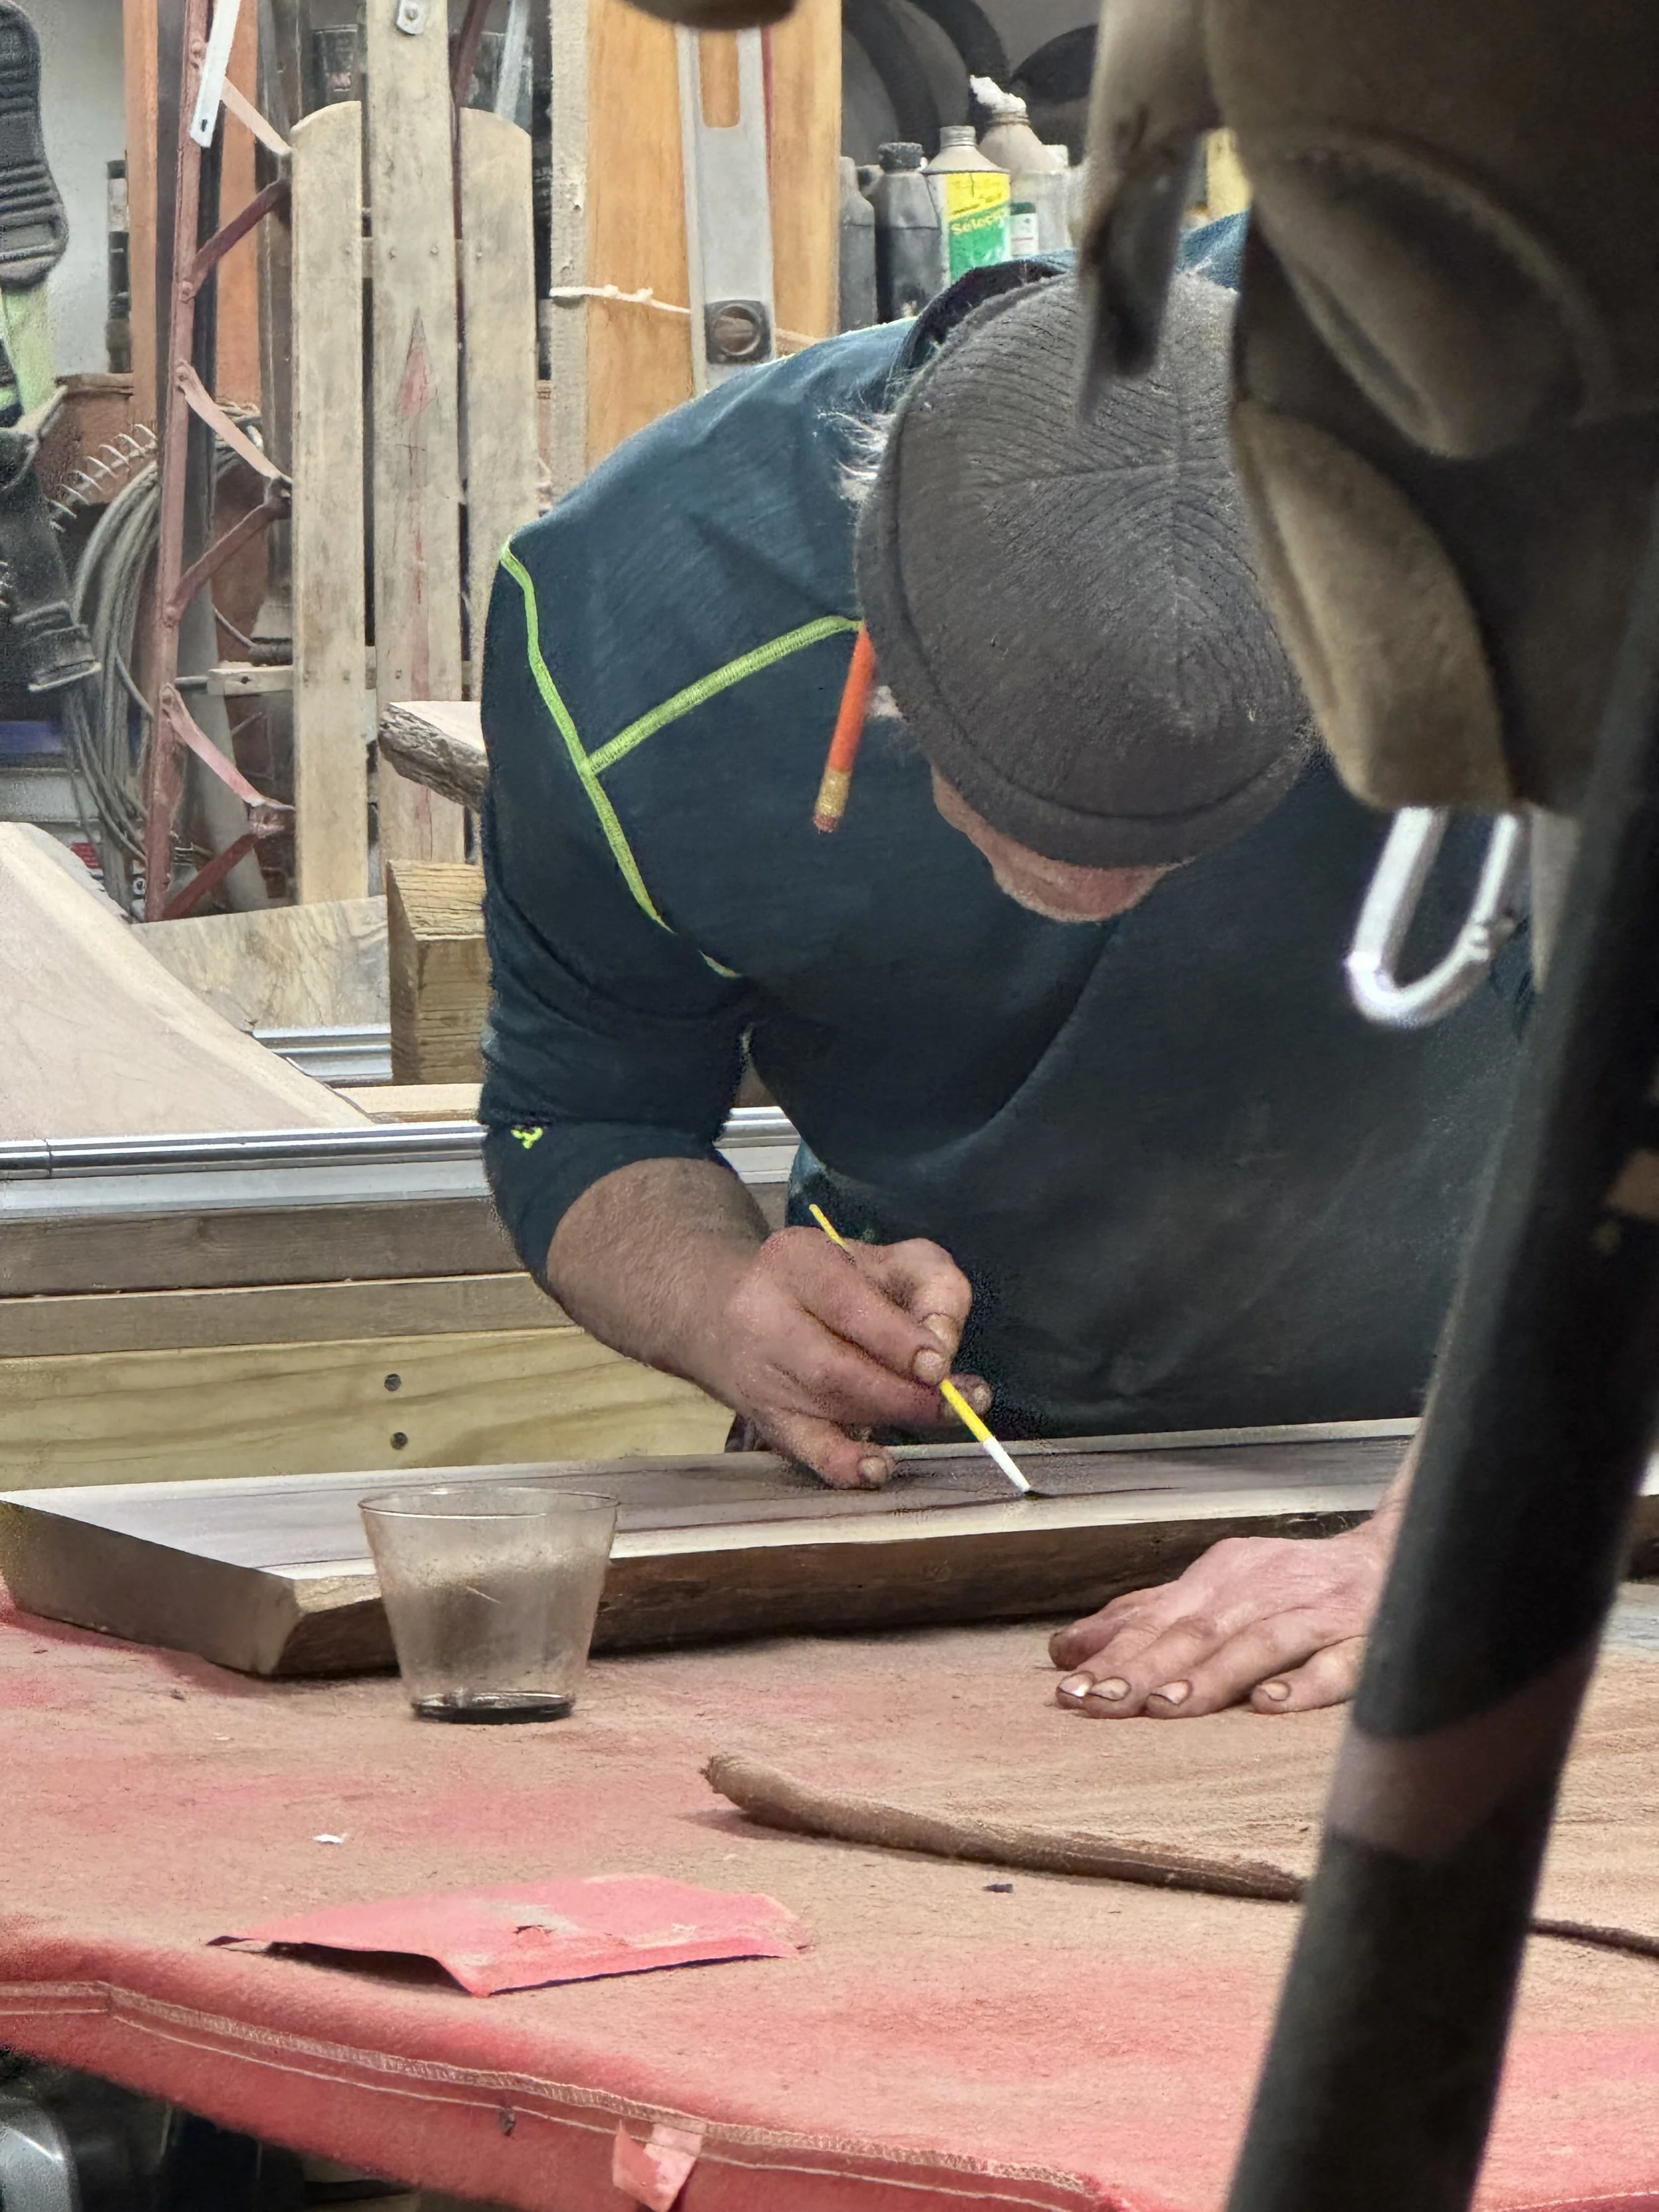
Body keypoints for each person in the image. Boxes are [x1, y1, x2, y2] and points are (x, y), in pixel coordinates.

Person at [476, 247, 1526, 1720]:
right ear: (875, 658)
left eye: (1186, 832)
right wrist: (723, 1305)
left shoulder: (1539, 541)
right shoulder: (629, 637)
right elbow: (583, 1113)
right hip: (944, 1484)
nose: (1108, 892)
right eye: (1033, 820)